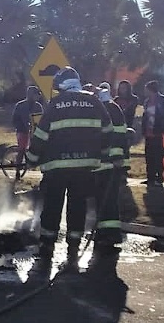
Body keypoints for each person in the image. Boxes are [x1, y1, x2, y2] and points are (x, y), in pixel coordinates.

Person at [26, 67, 112, 270]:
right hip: (85, 167)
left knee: (52, 207)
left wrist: (31, 158)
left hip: (56, 168)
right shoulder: (94, 101)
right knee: (77, 208)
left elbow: (41, 136)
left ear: (62, 85)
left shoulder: (55, 104)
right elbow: (108, 130)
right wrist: (102, 153)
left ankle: (46, 248)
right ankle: (73, 249)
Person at [91, 82, 131, 271]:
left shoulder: (102, 110)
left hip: (103, 164)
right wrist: (120, 161)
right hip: (114, 165)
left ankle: (104, 234)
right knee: (110, 201)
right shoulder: (116, 109)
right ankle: (111, 234)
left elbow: (107, 137)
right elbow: (123, 137)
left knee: (102, 201)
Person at [142, 80, 164, 186]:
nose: (145, 91)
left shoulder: (163, 101)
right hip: (148, 133)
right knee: (149, 156)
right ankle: (150, 177)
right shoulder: (147, 101)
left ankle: (160, 177)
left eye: (147, 89)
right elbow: (145, 116)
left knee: (159, 155)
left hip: (159, 133)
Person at [11, 85, 44, 178]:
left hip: (35, 132)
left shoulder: (38, 106)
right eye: (36, 95)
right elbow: (14, 120)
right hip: (22, 131)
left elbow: (41, 119)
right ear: (30, 95)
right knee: (22, 149)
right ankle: (17, 171)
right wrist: (22, 127)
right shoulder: (20, 105)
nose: (37, 97)